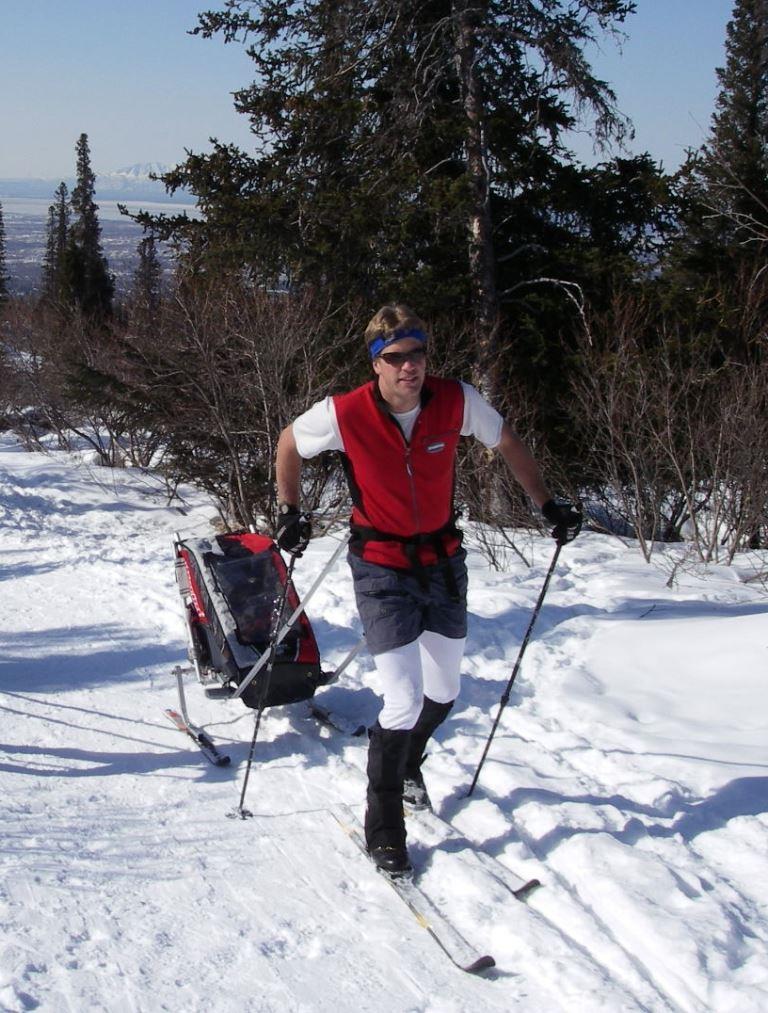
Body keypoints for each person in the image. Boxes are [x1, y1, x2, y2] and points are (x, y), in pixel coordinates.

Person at [275, 304, 581, 875]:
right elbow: (288, 442)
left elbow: (507, 440)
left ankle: (408, 760)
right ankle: (385, 824)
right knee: (404, 700)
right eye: (395, 358)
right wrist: (289, 510)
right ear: (376, 363)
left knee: (444, 691)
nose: (409, 367)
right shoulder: (344, 413)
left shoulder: (456, 400)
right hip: (381, 567)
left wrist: (546, 504)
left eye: (417, 354)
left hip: (442, 563)